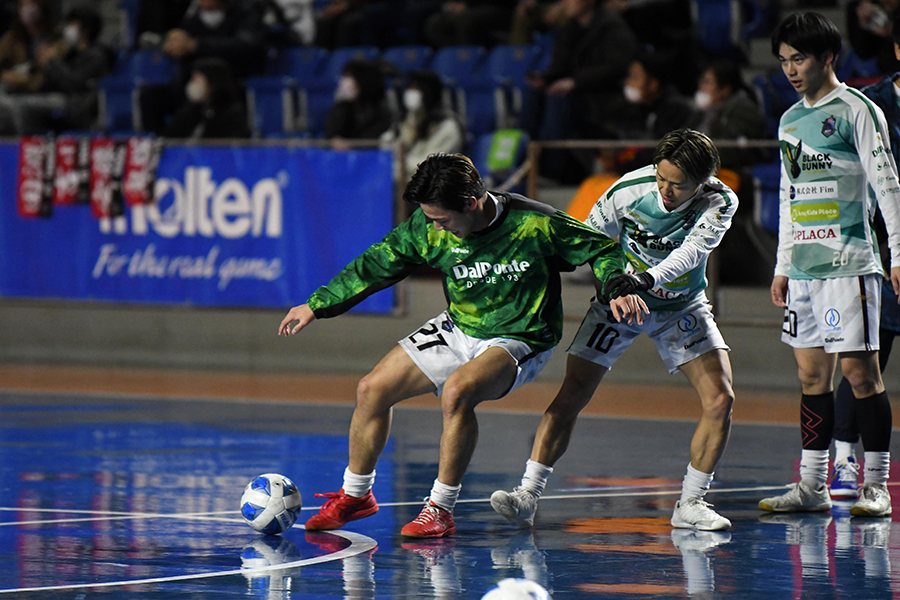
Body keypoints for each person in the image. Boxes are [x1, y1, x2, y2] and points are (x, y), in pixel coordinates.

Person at [279, 152, 644, 538]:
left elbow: (601, 249)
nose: (435, 227)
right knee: (372, 389)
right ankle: (356, 496)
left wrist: (617, 285)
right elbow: (377, 262)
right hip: (459, 326)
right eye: (430, 219)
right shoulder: (427, 226)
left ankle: (440, 509)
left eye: (442, 220)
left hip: (520, 335)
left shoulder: (535, 223)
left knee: (457, 391)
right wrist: (317, 304)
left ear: (471, 203)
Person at [491, 128, 740, 532]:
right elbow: (590, 241)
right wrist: (612, 285)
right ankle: (527, 495)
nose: (666, 191)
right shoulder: (628, 190)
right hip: (619, 298)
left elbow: (693, 252)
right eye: (661, 178)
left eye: (678, 185)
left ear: (702, 181)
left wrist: (644, 280)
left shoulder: (720, 200)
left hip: (680, 305)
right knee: (573, 390)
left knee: (721, 398)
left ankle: (691, 503)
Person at [758, 12, 900, 519]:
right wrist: (782, 265)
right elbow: (788, 197)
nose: (790, 70)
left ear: (827, 57)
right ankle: (812, 485)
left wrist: (898, 252)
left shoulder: (858, 110)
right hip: (803, 270)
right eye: (783, 61)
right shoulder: (789, 120)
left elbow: (887, 184)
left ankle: (876, 486)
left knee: (861, 375)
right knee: (810, 376)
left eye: (799, 59)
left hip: (850, 264)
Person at [828, 13, 900, 501]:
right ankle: (843, 461)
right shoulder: (869, 106)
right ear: (897, 49)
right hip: (880, 250)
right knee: (863, 362)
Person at [34, 6, 112, 132]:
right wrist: (45, 64)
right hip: (61, 98)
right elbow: (49, 84)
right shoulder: (72, 54)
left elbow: (74, 84)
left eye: (72, 24)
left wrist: (52, 62)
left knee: (23, 108)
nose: (68, 28)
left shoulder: (97, 56)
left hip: (77, 103)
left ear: (86, 30)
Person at [380, 69, 465, 179]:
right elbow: (385, 143)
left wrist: (398, 164)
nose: (411, 93)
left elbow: (428, 164)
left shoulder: (447, 126)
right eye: (409, 88)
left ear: (429, 92)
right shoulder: (407, 119)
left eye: (416, 89)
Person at [162, 57, 250, 139]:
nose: (193, 84)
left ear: (213, 82)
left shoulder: (232, 113)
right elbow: (170, 136)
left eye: (197, 80)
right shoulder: (192, 109)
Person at [324, 58, 393, 142]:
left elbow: (371, 140)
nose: (346, 82)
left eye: (351, 77)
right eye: (346, 76)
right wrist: (334, 140)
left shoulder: (380, 113)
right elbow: (331, 135)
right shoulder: (341, 109)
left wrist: (349, 145)